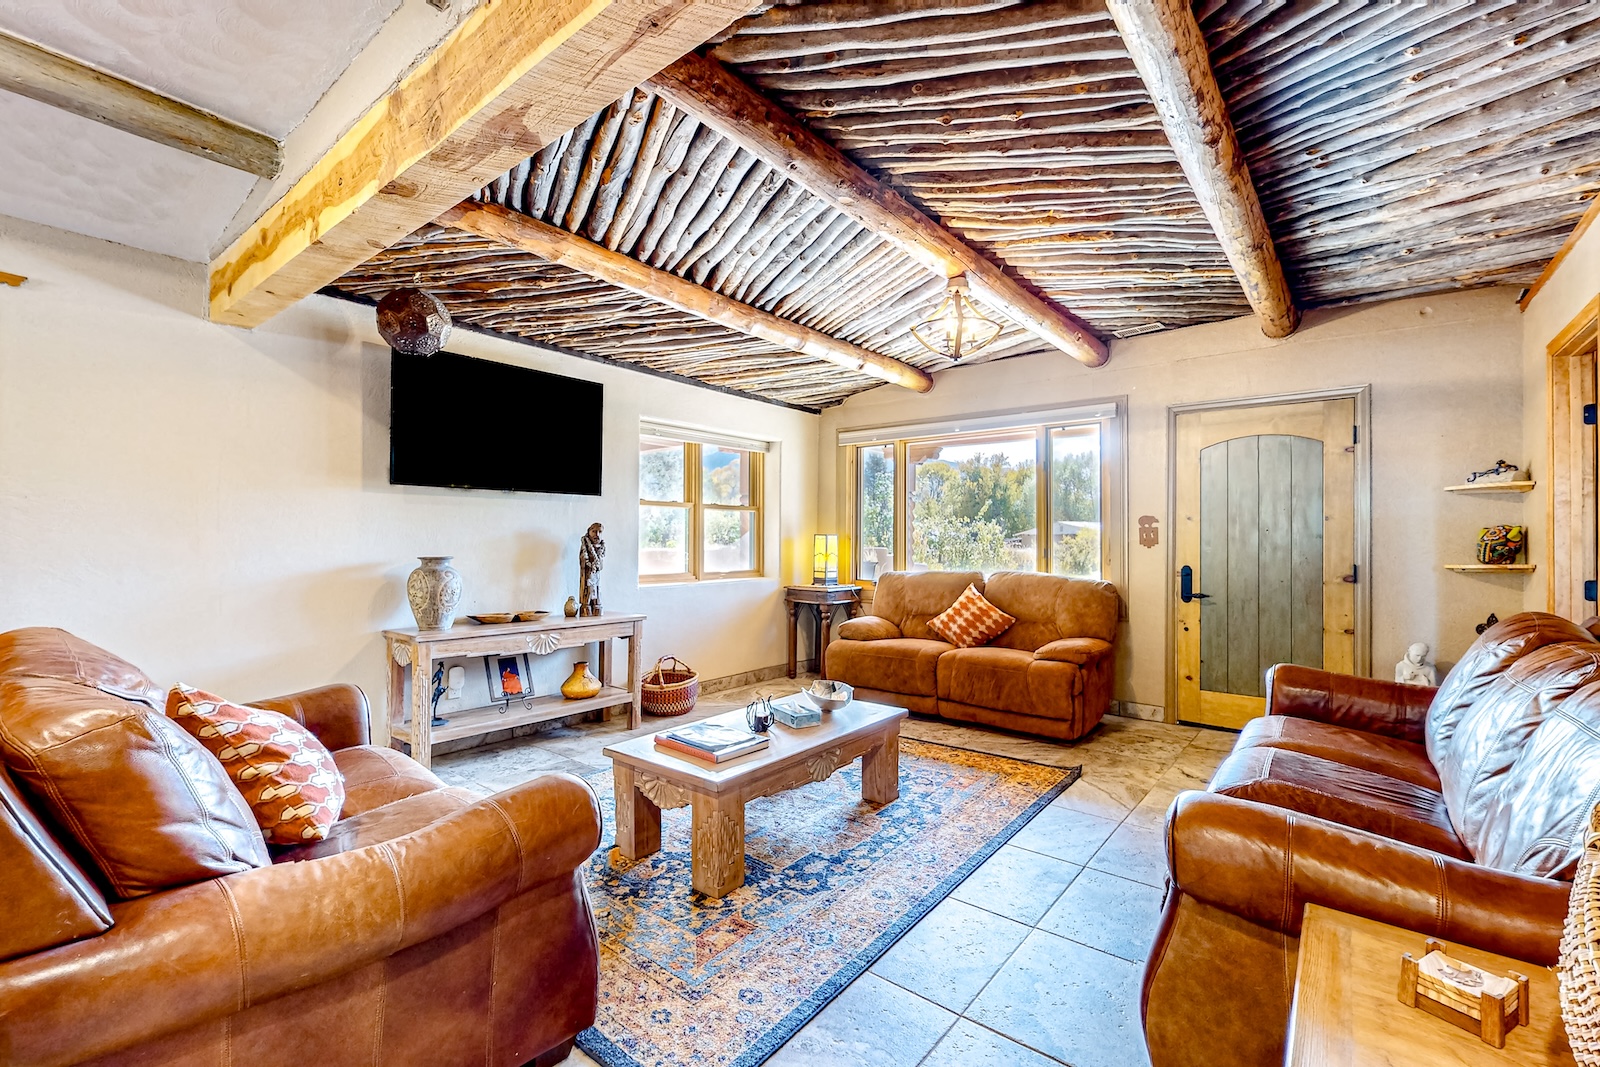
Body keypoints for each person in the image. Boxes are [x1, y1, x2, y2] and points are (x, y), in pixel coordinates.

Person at [579, 522, 606, 617]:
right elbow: (583, 560)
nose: (597, 534)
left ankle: (597, 605)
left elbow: (601, 563)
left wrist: (597, 564)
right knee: (588, 589)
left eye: (600, 532)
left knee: (597, 590)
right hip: (588, 574)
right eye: (594, 531)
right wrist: (589, 563)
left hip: (596, 574)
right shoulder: (585, 546)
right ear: (589, 532)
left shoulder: (602, 547)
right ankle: (586, 606)